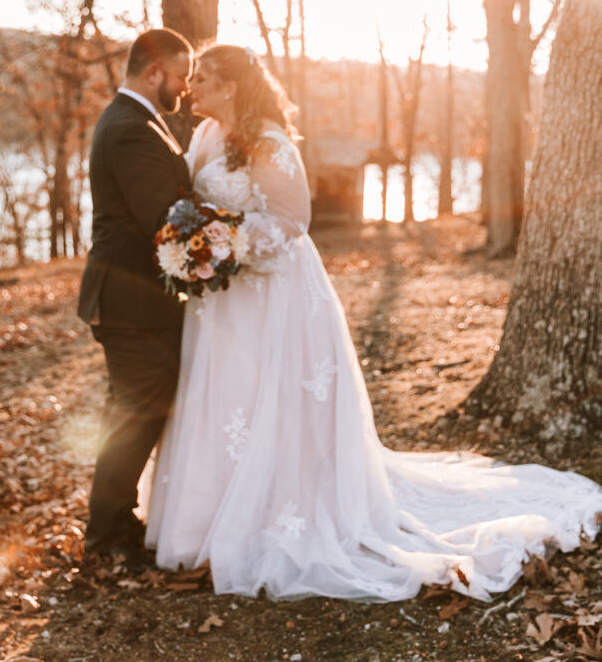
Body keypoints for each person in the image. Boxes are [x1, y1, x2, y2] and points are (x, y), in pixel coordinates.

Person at [142, 43, 602, 601]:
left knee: (271, 398)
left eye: (204, 79)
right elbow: (196, 201)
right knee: (226, 398)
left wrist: (227, 243)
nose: (192, 89)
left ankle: (275, 514)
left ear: (232, 87)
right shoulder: (204, 137)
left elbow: (292, 220)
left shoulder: (269, 140)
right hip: (223, 298)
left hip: (274, 292)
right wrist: (198, 245)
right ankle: (207, 518)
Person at [78, 28, 193, 566]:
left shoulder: (136, 121)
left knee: (130, 410)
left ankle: (115, 522)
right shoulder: (130, 128)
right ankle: (106, 537)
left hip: (133, 297)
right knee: (139, 410)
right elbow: (163, 218)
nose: (184, 89)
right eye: (180, 77)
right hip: (131, 299)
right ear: (154, 73)